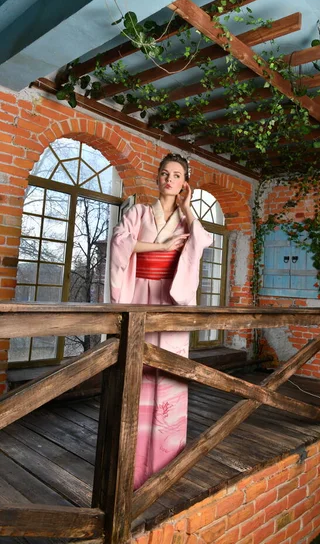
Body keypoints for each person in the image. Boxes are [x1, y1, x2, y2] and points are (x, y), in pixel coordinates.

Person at [110, 153, 212, 488]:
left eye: (177, 175)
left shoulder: (187, 218)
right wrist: (161, 244)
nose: (170, 179)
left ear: (185, 183)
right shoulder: (138, 212)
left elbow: (203, 242)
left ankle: (167, 462)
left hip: (171, 297)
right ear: (157, 178)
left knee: (168, 371)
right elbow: (119, 243)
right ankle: (131, 461)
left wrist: (186, 209)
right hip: (141, 293)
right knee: (137, 369)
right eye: (165, 174)